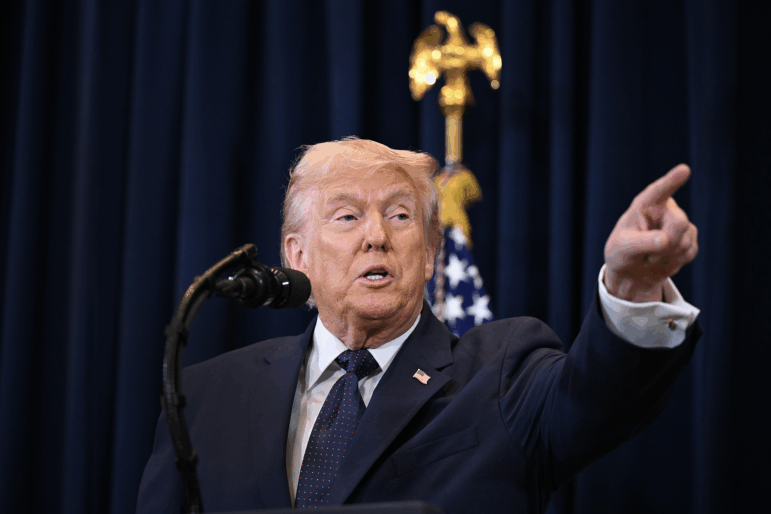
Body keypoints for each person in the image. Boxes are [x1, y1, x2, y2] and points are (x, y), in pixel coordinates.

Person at [137, 138, 701, 513]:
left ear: (429, 254)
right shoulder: (209, 395)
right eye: (347, 216)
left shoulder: (501, 374)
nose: (377, 235)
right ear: (296, 255)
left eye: (400, 215)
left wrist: (630, 291)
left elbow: (595, 398)